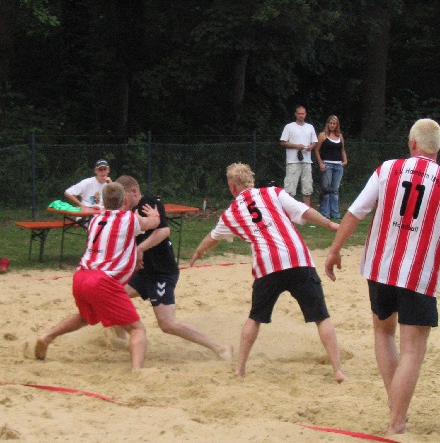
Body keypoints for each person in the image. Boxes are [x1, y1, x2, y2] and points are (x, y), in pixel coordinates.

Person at [325, 118, 440, 436]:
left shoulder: (388, 169)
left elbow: (355, 212)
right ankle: (397, 420)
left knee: (384, 333)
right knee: (413, 350)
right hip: (418, 273)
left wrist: (334, 250)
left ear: (412, 143)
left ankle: (396, 409)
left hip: (380, 268)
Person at [190, 162, 345, 382]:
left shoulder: (231, 213)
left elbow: (212, 237)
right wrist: (329, 225)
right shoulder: (273, 193)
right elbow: (304, 211)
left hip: (267, 265)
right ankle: (337, 370)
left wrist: (198, 251)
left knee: (255, 318)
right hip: (297, 258)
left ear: (232, 187)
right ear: (251, 180)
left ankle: (240, 368)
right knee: (321, 317)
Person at [25, 182, 160, 370]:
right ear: (125, 200)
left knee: (85, 318)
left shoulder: (95, 219)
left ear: (103, 201)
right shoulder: (129, 219)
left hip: (81, 276)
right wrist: (155, 215)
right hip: (103, 281)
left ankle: (47, 337)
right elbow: (152, 223)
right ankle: (137, 370)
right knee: (137, 329)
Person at [115, 175, 233, 361]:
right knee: (115, 297)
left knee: (167, 324)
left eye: (124, 197)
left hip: (161, 272)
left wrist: (140, 248)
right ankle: (120, 341)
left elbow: (164, 231)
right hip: (143, 272)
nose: (122, 202)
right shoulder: (127, 211)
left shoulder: (150, 204)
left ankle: (220, 348)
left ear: (134, 192)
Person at [280, 105, 318, 206]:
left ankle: (307, 210)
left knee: (307, 188)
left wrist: (311, 146)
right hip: (293, 161)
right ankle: (288, 209)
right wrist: (296, 146)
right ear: (296, 114)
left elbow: (315, 142)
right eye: (299, 113)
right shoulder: (289, 127)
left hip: (307, 161)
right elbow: (283, 142)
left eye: (303, 113)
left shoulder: (310, 127)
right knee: (290, 189)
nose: (301, 115)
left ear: (305, 114)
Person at [314, 115, 348, 219]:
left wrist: (345, 160)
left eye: (334, 124)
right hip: (327, 164)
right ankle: (325, 213)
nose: (332, 125)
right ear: (328, 124)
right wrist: (321, 163)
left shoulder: (340, 136)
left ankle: (335, 213)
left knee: (335, 189)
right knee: (326, 189)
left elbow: (342, 150)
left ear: (337, 125)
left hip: (338, 165)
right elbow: (317, 150)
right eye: (331, 123)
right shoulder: (323, 135)